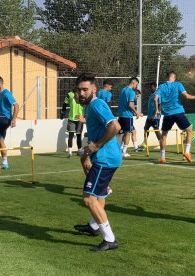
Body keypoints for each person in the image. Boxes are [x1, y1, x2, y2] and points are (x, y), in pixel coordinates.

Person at [73, 73, 122, 251]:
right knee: (99, 195)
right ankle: (94, 226)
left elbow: (115, 126)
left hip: (105, 159)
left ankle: (110, 239)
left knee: (88, 198)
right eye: (79, 90)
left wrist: (96, 146)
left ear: (95, 90)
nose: (81, 93)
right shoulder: (90, 107)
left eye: (85, 89)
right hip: (106, 157)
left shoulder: (97, 105)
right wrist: (87, 153)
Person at [153, 71, 195, 163]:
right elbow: (186, 96)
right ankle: (187, 152)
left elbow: (155, 98)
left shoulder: (161, 87)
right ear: (174, 78)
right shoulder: (178, 84)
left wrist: (157, 110)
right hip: (178, 112)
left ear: (168, 77)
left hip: (167, 115)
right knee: (189, 130)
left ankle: (162, 157)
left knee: (164, 135)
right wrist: (194, 97)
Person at [118, 77, 143, 157]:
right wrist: (136, 112)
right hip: (127, 116)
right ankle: (123, 152)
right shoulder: (131, 92)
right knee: (127, 133)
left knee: (124, 134)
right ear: (134, 83)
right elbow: (130, 104)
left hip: (121, 115)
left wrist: (135, 113)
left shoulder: (123, 90)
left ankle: (120, 150)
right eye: (136, 84)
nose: (136, 86)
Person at [60, 90, 85, 157]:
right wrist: (62, 111)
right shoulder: (70, 94)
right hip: (71, 118)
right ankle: (70, 152)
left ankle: (79, 150)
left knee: (78, 135)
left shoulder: (83, 93)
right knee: (71, 135)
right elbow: (65, 103)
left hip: (80, 118)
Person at [139, 83, 162, 149]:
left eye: (151, 87)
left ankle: (161, 143)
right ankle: (144, 143)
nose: (150, 88)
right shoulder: (151, 95)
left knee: (156, 130)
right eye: (150, 87)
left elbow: (160, 105)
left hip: (155, 116)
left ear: (155, 87)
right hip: (149, 116)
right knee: (146, 128)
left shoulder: (158, 95)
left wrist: (155, 114)